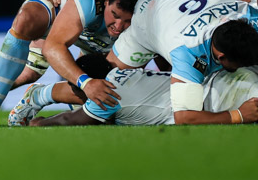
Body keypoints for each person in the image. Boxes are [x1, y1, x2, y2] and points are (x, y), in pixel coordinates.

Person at [0, 0, 161, 118]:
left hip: (108, 33)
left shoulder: (155, 8)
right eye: (115, 15)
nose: (118, 26)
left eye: (127, 21)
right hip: (68, 16)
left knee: (113, 89)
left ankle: (36, 95)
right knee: (28, 23)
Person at [106, 0, 258, 124]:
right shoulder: (188, 54)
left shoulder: (252, 17)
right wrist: (239, 115)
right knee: (107, 75)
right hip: (146, 16)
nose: (245, 65)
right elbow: (184, 118)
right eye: (242, 64)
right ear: (221, 57)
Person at [15, 54, 258, 126]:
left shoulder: (105, 95)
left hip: (221, 101)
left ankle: (39, 95)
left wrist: (40, 124)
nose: (79, 92)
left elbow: (69, 119)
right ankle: (39, 94)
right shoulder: (125, 72)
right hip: (229, 78)